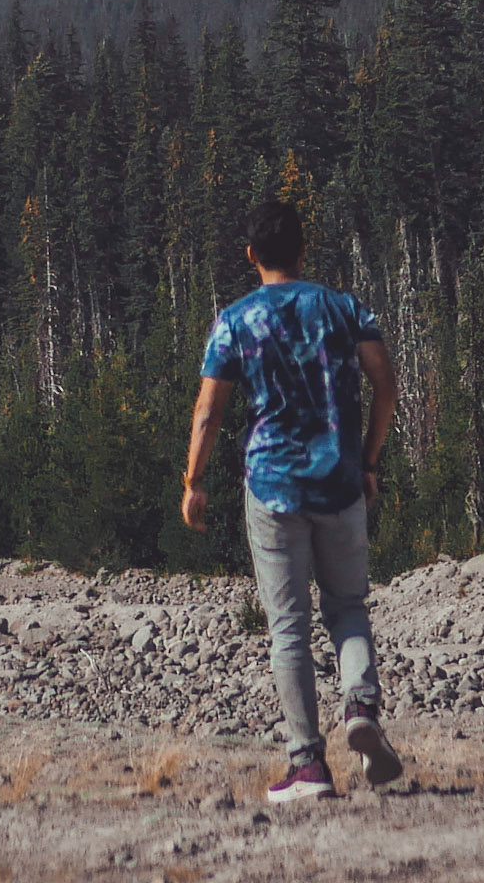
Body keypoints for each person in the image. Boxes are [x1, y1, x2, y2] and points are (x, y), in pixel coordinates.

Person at [181, 198, 403, 803]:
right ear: (304, 249)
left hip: (273, 487)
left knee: (288, 628)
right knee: (348, 606)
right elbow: (386, 386)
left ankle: (308, 764)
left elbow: (208, 412)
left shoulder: (236, 321)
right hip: (340, 480)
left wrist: (194, 481)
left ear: (251, 254)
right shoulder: (344, 309)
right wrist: (369, 460)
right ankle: (361, 706)